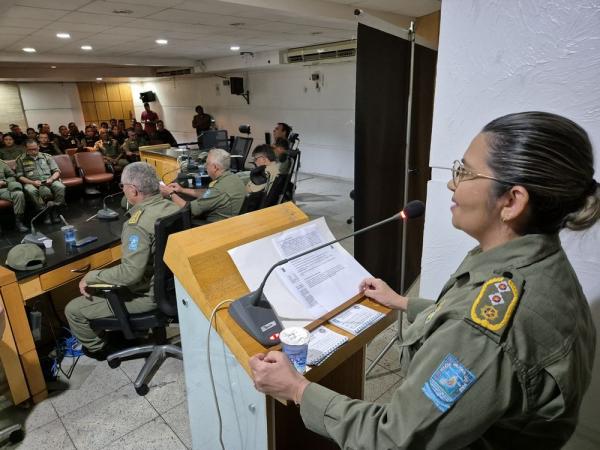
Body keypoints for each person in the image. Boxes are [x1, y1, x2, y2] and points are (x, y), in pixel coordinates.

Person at [249, 111, 598, 449]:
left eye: (465, 172)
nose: (451, 182)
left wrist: (296, 388)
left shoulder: (485, 332)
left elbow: (391, 438)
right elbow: (469, 316)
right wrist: (402, 302)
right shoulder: (541, 264)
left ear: (511, 200)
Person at [65, 162, 180, 359]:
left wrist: (91, 277)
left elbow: (130, 274)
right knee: (107, 283)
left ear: (133, 190)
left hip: (148, 296)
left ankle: (100, 349)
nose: (123, 190)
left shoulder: (137, 225)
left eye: (123, 186)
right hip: (174, 289)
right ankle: (127, 333)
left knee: (73, 309)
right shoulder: (171, 207)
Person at [160, 148, 245, 223]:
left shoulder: (219, 190)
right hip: (231, 223)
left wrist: (171, 194)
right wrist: (182, 190)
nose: (205, 166)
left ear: (215, 167)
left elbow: (188, 209)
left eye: (207, 163)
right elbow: (208, 193)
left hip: (214, 228)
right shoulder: (233, 178)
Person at [15, 140, 66, 224]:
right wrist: (32, 182)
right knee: (31, 190)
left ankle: (54, 209)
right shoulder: (20, 159)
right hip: (31, 182)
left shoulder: (47, 157)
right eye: (30, 149)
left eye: (35, 149)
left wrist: (52, 179)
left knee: (60, 187)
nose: (33, 151)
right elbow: (20, 176)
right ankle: (44, 212)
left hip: (49, 180)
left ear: (38, 147)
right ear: (26, 149)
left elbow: (57, 171)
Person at [0, 159, 27, 232]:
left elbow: (12, 176)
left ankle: (19, 223)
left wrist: (4, 182)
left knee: (18, 194)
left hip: (2, 189)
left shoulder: (1, 163)